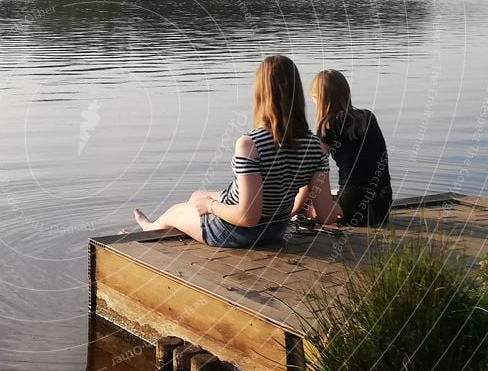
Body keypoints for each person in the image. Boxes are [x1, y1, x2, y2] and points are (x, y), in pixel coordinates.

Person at [132, 55, 341, 247]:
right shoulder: (315, 146)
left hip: (237, 233)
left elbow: (249, 216)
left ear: (261, 94)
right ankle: (181, 225)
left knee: (177, 211)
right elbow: (325, 214)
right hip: (276, 230)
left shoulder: (251, 144)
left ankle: (150, 229)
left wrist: (211, 206)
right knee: (198, 195)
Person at [308, 69, 392, 227]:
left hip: (353, 206)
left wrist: (295, 207)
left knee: (309, 206)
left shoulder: (327, 125)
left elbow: (313, 168)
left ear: (319, 98)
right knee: (331, 192)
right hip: (383, 204)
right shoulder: (368, 116)